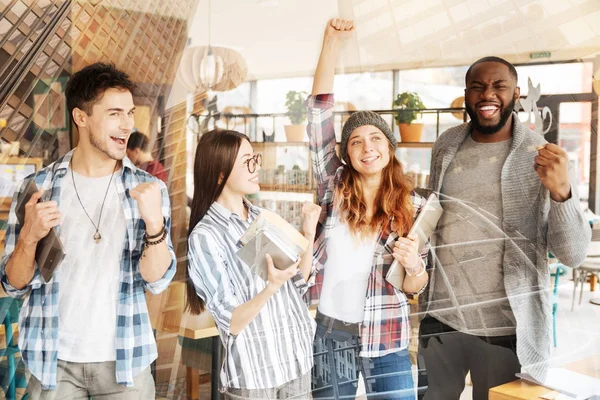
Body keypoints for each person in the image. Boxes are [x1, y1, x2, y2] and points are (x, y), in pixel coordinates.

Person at [0, 62, 176, 399]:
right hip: (54, 363)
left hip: (126, 361)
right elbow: (13, 283)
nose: (127, 124)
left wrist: (155, 224)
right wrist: (28, 237)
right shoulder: (37, 189)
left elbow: (157, 280)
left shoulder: (149, 189)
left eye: (129, 113)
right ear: (81, 117)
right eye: (114, 114)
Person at [419, 56, 591, 399]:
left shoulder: (540, 155)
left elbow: (573, 255)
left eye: (499, 86)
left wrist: (562, 192)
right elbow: (432, 219)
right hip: (440, 318)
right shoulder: (446, 145)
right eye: (478, 86)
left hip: (506, 327)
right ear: (466, 94)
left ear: (515, 93)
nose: (488, 95)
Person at [307, 19, 430, 400]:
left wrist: (413, 265)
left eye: (376, 138)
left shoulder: (415, 205)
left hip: (388, 333)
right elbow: (318, 115)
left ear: (391, 148)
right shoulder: (332, 188)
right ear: (345, 153)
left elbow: (415, 286)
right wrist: (330, 43)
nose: (367, 148)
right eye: (356, 142)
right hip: (331, 332)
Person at [185, 129, 321, 399]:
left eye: (255, 158)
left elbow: (298, 283)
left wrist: (308, 233)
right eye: (247, 161)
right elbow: (231, 322)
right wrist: (270, 287)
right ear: (221, 173)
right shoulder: (206, 236)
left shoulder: (263, 216)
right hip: (254, 376)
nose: (256, 167)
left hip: (296, 362)